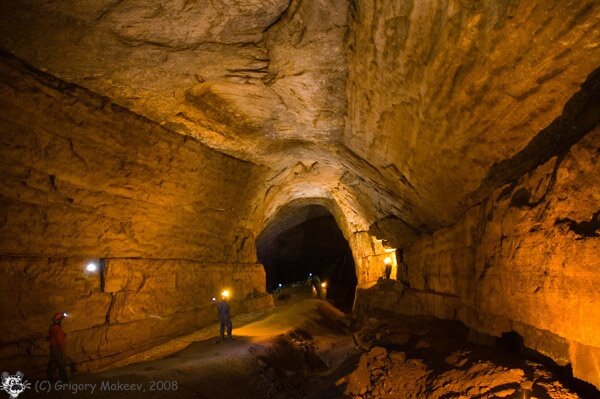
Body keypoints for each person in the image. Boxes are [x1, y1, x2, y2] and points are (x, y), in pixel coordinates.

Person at [47, 312, 68, 382]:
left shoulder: (52, 327)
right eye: (60, 320)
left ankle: (49, 379)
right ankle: (64, 380)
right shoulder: (56, 328)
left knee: (52, 364)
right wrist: (61, 349)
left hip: (53, 348)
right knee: (61, 364)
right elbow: (58, 340)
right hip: (57, 348)